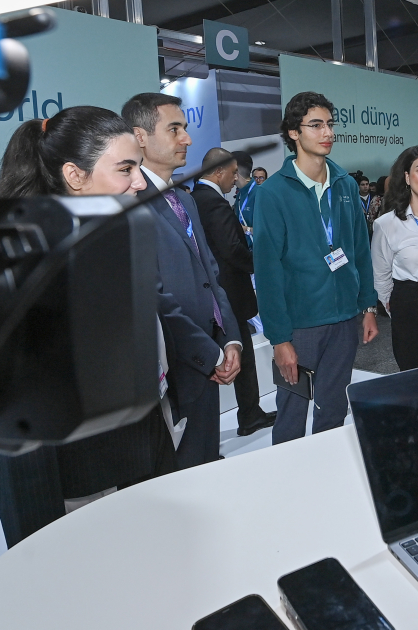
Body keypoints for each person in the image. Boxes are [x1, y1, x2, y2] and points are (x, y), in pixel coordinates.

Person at [0, 106, 176, 547]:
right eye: (126, 169)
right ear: (75, 176)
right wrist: (40, 547)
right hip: (83, 503)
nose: (139, 181)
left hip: (140, 472)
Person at [122, 92, 242, 469]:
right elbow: (151, 294)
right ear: (140, 137)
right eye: (174, 129)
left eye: (185, 129)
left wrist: (231, 338)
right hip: (172, 369)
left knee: (204, 462)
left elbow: (211, 274)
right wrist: (208, 354)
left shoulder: (184, 200)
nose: (187, 139)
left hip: (208, 360)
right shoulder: (127, 202)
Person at [253, 91, 378, 444]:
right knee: (292, 413)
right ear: (294, 132)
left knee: (334, 409)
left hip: (344, 320)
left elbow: (359, 251)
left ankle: (327, 482)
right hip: (300, 325)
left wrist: (367, 306)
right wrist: (279, 338)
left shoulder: (346, 184)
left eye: (330, 124)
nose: (328, 133)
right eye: (316, 125)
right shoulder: (273, 192)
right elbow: (267, 269)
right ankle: (288, 491)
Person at [192, 148, 276, 437]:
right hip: (229, 293)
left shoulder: (194, 198)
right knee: (244, 357)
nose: (234, 179)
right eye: (231, 173)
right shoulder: (213, 203)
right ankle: (250, 415)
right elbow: (231, 249)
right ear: (219, 171)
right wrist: (259, 265)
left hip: (213, 292)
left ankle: (250, 414)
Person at [371, 144, 418, 370]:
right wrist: (395, 307)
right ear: (407, 177)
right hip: (410, 305)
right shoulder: (387, 224)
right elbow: (381, 274)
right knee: (416, 376)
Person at [232, 151, 257, 248]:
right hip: (244, 254)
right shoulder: (239, 194)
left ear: (236, 171)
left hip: (257, 255)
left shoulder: (259, 194)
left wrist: (245, 230)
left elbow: (271, 230)